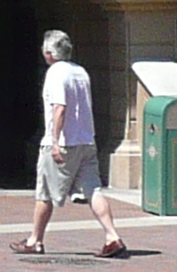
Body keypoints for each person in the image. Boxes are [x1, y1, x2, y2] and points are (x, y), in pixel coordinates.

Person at [20, 30, 128, 259]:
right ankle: (112, 236)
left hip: (64, 142)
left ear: (49, 53)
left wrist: (56, 141)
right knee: (93, 189)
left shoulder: (55, 74)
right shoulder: (80, 72)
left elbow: (59, 107)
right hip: (86, 140)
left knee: (45, 193)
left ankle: (35, 240)